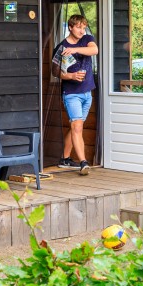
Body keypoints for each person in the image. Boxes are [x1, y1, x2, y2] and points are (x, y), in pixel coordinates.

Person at [52, 14, 98, 175]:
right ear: (70, 27)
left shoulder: (87, 39)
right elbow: (55, 71)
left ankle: (65, 159)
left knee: (75, 127)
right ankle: (83, 163)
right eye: (78, 27)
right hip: (72, 94)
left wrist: (75, 49)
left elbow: (95, 50)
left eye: (83, 27)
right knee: (77, 126)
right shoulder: (61, 48)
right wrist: (71, 76)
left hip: (87, 94)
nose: (82, 30)